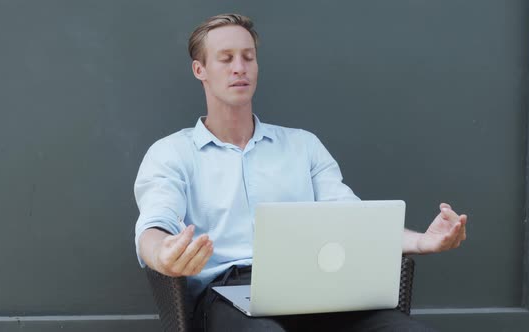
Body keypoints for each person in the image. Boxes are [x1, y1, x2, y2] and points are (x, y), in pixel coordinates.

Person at [134, 13, 467, 331]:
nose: (240, 68)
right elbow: (153, 227)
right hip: (225, 295)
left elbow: (353, 218)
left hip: (314, 289)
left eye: (248, 57)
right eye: (226, 58)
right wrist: (164, 256)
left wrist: (423, 241)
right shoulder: (171, 153)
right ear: (200, 69)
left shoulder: (302, 146)